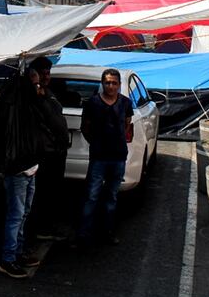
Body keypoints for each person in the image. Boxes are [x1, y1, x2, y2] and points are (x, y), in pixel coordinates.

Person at [0, 68, 47, 279]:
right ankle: (8, 258)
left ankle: (18, 253)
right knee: (16, 215)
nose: (39, 88)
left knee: (23, 213)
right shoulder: (10, 107)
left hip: (30, 167)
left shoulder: (27, 106)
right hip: (18, 170)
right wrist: (2, 157)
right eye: (36, 84)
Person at [77, 68, 133, 247]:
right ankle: (84, 235)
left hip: (118, 158)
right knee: (91, 196)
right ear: (102, 84)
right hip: (99, 158)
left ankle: (107, 232)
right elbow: (85, 127)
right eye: (107, 82)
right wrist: (96, 143)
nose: (111, 86)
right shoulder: (92, 103)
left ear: (119, 85)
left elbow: (127, 124)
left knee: (111, 197)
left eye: (114, 83)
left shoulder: (125, 103)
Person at [27, 56, 71, 242]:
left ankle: (46, 226)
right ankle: (37, 230)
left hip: (57, 153)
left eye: (48, 73)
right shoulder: (33, 96)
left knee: (52, 193)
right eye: (42, 73)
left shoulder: (48, 92)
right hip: (44, 155)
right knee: (41, 194)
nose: (46, 76)